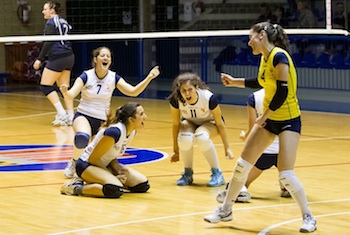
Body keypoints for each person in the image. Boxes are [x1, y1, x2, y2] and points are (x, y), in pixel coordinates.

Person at [204, 22, 317, 233]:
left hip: (289, 120)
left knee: (286, 175)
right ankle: (226, 209)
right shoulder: (265, 59)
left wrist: (262, 116)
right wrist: (234, 81)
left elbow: (282, 93)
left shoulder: (279, 57)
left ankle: (308, 217)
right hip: (269, 119)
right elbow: (261, 82)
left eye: (251, 38)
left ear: (262, 35)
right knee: (241, 165)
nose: (249, 43)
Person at [60, 46, 160, 179]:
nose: (106, 58)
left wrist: (149, 78)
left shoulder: (113, 78)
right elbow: (70, 95)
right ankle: (74, 162)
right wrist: (65, 92)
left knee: (101, 152)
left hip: (103, 119)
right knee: (82, 137)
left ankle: (95, 170)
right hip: (84, 115)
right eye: (102, 56)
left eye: (108, 56)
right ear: (95, 59)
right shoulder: (86, 76)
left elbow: (133, 91)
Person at [60, 102, 150, 198]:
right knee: (114, 189)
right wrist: (113, 176)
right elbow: (93, 159)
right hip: (86, 165)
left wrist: (118, 169)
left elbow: (111, 154)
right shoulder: (115, 132)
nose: (145, 116)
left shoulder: (131, 131)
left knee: (142, 185)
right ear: (131, 119)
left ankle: (107, 183)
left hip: (103, 165)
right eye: (141, 114)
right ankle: (75, 188)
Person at [216, 89, 291, 203]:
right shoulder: (287, 94)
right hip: (284, 151)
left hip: (264, 152)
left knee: (239, 182)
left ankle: (240, 191)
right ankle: (285, 185)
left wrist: (244, 136)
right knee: (287, 174)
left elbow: (253, 128)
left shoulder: (255, 97)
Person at [168, 72, 234, 187]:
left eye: (190, 89)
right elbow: (175, 124)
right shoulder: (176, 100)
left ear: (196, 88)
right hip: (190, 122)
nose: (187, 94)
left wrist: (227, 148)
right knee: (184, 139)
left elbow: (220, 123)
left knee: (201, 137)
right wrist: (176, 149)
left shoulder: (208, 98)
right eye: (184, 90)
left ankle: (217, 173)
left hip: (210, 123)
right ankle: (188, 173)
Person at [33, 1, 75, 126]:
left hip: (58, 57)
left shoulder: (51, 22)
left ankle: (62, 113)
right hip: (69, 56)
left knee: (45, 85)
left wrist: (39, 59)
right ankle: (71, 116)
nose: (43, 11)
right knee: (64, 89)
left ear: (52, 10)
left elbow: (49, 41)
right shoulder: (63, 21)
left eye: (45, 9)